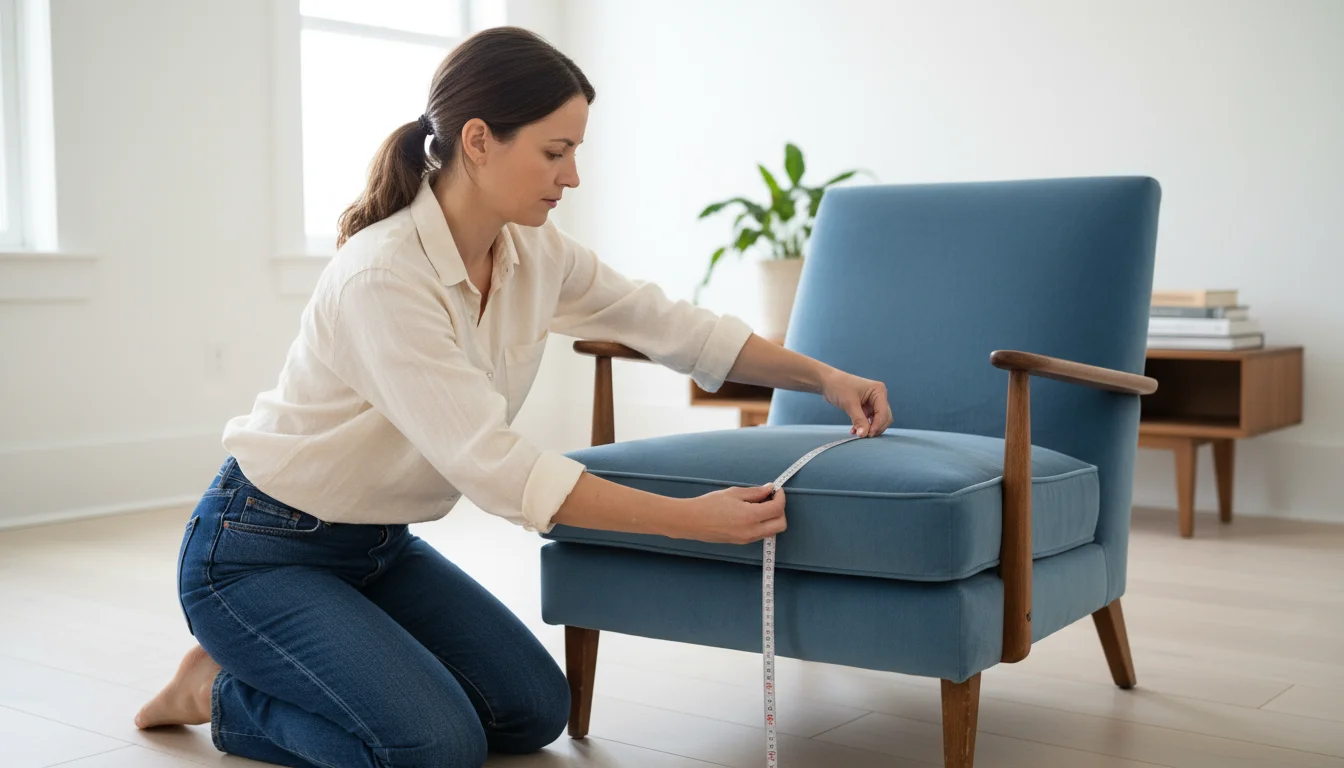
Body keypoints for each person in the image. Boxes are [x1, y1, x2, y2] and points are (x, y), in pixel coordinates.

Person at [133, 26, 892, 768]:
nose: (572, 177)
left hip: (377, 548)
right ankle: (225, 693)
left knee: (533, 711)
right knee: (436, 748)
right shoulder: (385, 278)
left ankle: (322, 655)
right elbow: (496, 467)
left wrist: (825, 378)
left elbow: (669, 324)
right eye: (554, 152)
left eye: (575, 153)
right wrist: (690, 522)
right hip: (259, 554)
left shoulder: (532, 251)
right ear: (478, 140)